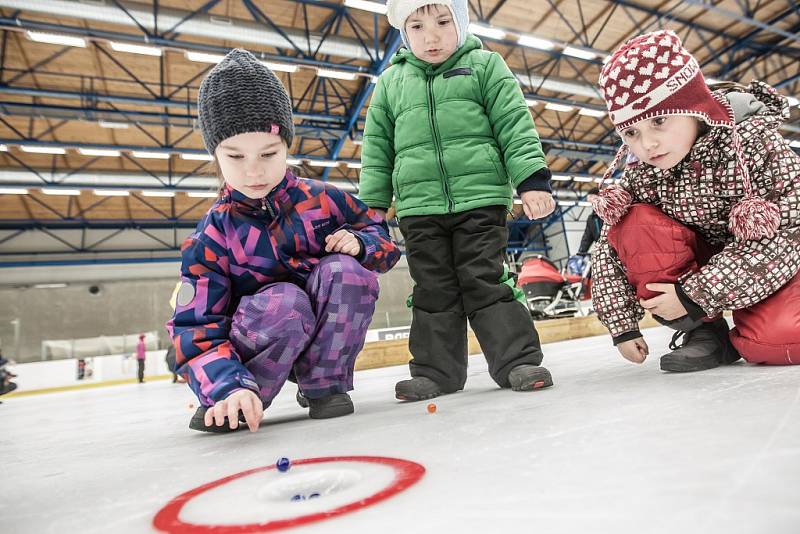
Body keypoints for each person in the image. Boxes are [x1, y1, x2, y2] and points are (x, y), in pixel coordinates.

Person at [167, 49, 400, 433]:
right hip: (255, 347)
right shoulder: (212, 234)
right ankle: (240, 399)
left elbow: (382, 239)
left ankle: (324, 384)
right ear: (215, 154)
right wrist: (224, 385)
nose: (254, 170)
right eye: (235, 156)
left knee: (348, 273)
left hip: (324, 337)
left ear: (287, 146)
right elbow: (194, 325)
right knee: (285, 302)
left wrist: (362, 244)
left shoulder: (324, 199)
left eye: (269, 153)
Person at [359, 0, 556, 401]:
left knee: (482, 279)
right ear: (404, 33)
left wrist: (532, 181)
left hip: (480, 198)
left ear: (461, 22)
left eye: (443, 22)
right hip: (418, 207)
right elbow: (376, 147)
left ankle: (517, 361)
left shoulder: (485, 66)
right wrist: (372, 206)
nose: (430, 36)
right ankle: (436, 372)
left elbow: (514, 124)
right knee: (432, 288)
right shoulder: (392, 82)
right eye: (416, 27)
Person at [590, 30, 800, 371]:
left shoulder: (756, 144)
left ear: (692, 105)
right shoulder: (643, 172)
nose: (648, 145)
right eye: (632, 133)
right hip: (708, 273)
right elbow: (609, 250)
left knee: (777, 341)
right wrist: (621, 325)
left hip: (776, 260)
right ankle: (706, 335)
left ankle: (755, 321)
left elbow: (787, 234)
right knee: (631, 221)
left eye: (659, 120)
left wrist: (694, 296)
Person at [577, 187, 602, 255]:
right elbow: (587, 237)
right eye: (591, 203)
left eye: (593, 198)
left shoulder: (610, 213)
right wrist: (581, 252)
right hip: (602, 249)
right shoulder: (591, 219)